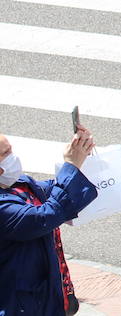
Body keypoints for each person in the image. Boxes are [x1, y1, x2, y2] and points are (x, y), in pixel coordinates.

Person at [0, 127, 98, 316]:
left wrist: (80, 154)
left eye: (10, 149)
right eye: (5, 153)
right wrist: (71, 167)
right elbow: (45, 216)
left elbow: (56, 191)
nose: (12, 156)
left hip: (43, 294)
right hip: (19, 305)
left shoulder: (19, 184)